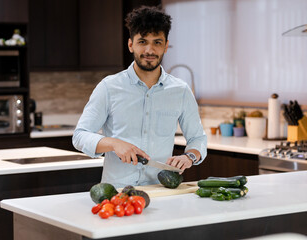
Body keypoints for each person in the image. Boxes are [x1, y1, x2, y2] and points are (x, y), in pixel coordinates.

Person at [73, 6, 207, 188]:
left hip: (161, 192)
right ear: (131, 45)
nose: (149, 50)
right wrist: (113, 144)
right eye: (143, 41)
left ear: (166, 46)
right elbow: (80, 136)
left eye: (157, 42)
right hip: (116, 192)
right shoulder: (109, 87)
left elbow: (198, 138)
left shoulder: (181, 90)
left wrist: (189, 156)